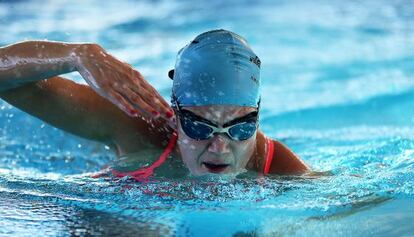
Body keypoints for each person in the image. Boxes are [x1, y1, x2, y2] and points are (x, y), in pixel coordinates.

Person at [0, 29, 310, 180]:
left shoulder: (274, 164)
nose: (219, 147)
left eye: (240, 128)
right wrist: (77, 55)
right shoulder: (139, 126)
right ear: (175, 115)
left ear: (256, 119)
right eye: (199, 126)